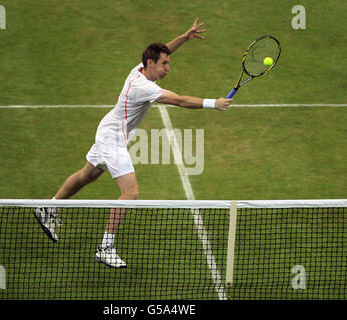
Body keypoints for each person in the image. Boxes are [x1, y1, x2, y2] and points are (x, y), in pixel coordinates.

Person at [33, 18, 233, 268]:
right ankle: (106, 247)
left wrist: (184, 36)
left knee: (87, 175)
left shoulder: (139, 69)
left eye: (168, 63)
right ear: (150, 64)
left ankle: (47, 207)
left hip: (108, 130)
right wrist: (213, 103)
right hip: (113, 139)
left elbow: (165, 50)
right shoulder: (143, 87)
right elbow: (180, 100)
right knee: (130, 192)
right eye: (164, 64)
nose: (168, 68)